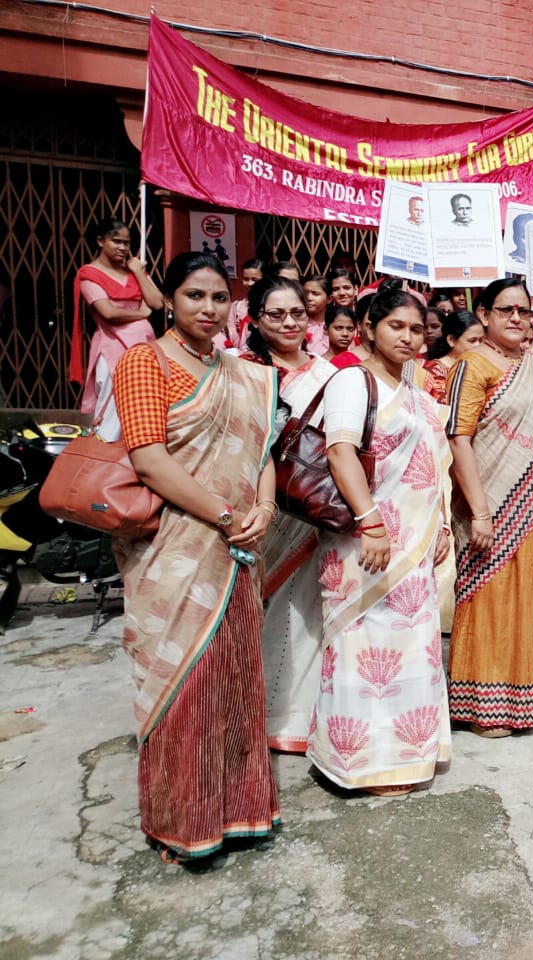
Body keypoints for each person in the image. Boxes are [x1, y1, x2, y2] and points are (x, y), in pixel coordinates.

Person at [112, 252, 278, 862]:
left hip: (238, 548)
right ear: (170, 300)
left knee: (233, 677)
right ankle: (180, 822)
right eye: (193, 296)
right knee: (182, 683)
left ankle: (238, 811)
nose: (208, 308)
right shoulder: (144, 361)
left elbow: (262, 451)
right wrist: (228, 517)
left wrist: (264, 508)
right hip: (177, 547)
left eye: (218, 297)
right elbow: (150, 460)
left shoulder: (243, 372)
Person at [308, 281, 452, 795]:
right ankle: (360, 765)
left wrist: (440, 525)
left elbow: (433, 463)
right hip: (364, 541)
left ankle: (408, 757)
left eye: (416, 329)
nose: (408, 337)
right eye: (396, 326)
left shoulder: (416, 394)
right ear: (369, 328)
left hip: (413, 549)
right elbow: (340, 451)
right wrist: (370, 521)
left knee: (410, 650)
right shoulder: (353, 381)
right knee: (364, 651)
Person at [446, 278, 533, 737]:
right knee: (490, 596)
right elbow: (459, 438)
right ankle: (481, 707)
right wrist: (480, 512)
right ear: (484, 314)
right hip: (489, 502)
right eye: (506, 310)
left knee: (532, 597)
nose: (517, 318)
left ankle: (522, 700)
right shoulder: (473, 364)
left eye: (524, 310)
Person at [243, 279, 338, 754]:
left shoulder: (330, 374)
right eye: (276, 314)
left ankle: (301, 719)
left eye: (297, 313)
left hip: (316, 511)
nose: (288, 323)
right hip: (259, 511)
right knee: (262, 612)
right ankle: (259, 714)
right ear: (256, 319)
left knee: (309, 612)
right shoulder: (242, 371)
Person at [72, 217, 164, 422]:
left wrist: (138, 272)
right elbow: (108, 313)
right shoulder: (89, 274)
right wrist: (141, 314)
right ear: (100, 241)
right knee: (113, 406)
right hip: (112, 346)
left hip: (144, 347)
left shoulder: (134, 272)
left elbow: (157, 303)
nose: (123, 248)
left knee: (143, 404)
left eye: (126, 243)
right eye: (116, 241)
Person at [424, 310, 483, 403]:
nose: (478, 345)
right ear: (451, 340)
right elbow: (442, 406)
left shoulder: (481, 366)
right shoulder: (434, 370)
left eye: (481, 340)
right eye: (472, 340)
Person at [300, 273, 330, 356]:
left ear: (329, 299)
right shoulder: (298, 325)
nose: (309, 298)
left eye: (315, 294)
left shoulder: (336, 324)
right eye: (305, 293)